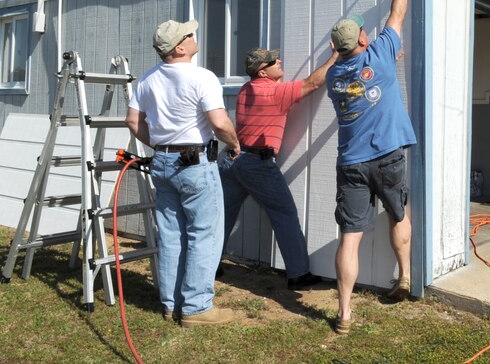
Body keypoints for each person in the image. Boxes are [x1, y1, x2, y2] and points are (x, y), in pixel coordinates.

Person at [126, 19, 241, 328]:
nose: (194, 36)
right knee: (205, 233)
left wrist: (162, 146)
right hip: (195, 164)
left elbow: (133, 122)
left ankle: (171, 303)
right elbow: (218, 122)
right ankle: (196, 307)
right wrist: (234, 142)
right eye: (190, 34)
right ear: (179, 47)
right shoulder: (202, 77)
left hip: (162, 164)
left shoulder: (147, 79)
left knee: (172, 234)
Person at [325, 0, 416, 335]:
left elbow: (350, 68)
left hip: (351, 163)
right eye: (364, 31)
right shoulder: (379, 55)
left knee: (350, 237)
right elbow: (398, 12)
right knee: (399, 214)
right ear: (363, 40)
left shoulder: (333, 76)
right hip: (389, 155)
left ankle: (344, 314)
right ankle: (405, 277)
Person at [217, 46, 337, 289]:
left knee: (222, 216)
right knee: (285, 214)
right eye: (272, 61)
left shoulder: (244, 90)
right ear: (262, 72)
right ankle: (299, 273)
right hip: (256, 164)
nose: (279, 61)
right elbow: (313, 83)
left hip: (231, 160)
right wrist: (336, 56)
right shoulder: (273, 93)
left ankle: (210, 265)